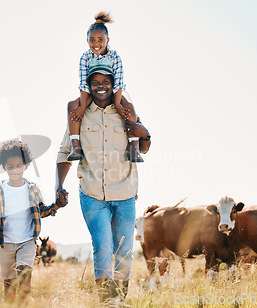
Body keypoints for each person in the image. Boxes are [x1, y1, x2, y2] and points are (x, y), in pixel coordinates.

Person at [56, 59, 151, 302]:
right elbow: (64, 152)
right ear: (88, 85)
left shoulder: (126, 112)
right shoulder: (78, 116)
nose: (101, 86)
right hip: (92, 194)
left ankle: (119, 299)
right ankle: (105, 302)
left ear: (113, 85)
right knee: (103, 247)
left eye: (106, 82)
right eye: (95, 82)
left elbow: (144, 146)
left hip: (125, 193)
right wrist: (59, 186)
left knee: (125, 252)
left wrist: (146, 134)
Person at [0, 141, 68, 303]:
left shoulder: (33, 189)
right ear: (4, 167)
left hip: (27, 242)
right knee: (8, 284)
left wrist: (57, 205)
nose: (15, 170)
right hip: (4, 244)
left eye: (19, 166)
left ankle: (24, 303)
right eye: (10, 166)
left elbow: (41, 210)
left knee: (24, 272)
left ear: (26, 166)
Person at [67, 11, 143, 163]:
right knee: (72, 105)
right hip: (92, 91)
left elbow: (119, 82)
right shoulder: (85, 57)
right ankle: (75, 145)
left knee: (129, 107)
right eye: (92, 40)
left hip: (114, 90)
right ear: (87, 40)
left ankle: (133, 146)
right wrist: (82, 107)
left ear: (108, 40)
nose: (96, 44)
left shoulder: (115, 57)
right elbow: (83, 83)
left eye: (100, 39)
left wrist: (117, 103)